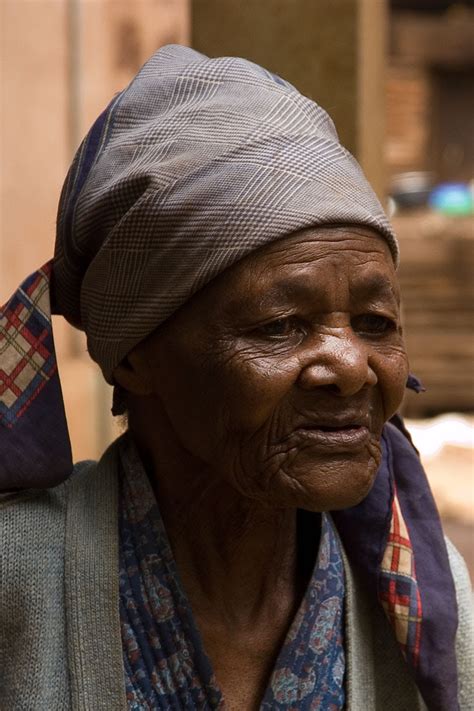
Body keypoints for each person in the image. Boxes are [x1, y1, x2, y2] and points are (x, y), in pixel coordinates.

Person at [0, 45, 472, 711]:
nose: (350, 365)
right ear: (137, 352)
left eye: (373, 321)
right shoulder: (17, 580)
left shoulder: (423, 595)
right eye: (280, 324)